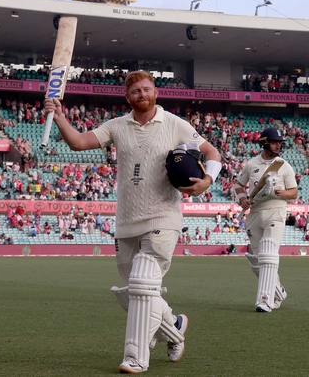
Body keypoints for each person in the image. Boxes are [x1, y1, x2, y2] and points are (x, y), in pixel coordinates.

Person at [43, 70, 221, 374]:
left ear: (156, 92)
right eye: (136, 91)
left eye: (147, 89)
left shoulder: (174, 124)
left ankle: (135, 357)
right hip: (126, 220)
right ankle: (174, 327)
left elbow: (210, 151)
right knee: (133, 294)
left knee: (141, 284)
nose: (142, 95)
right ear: (128, 97)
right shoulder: (117, 126)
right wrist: (59, 117)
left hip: (162, 217)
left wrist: (208, 180)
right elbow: (79, 142)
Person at [233, 127, 298, 313]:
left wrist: (281, 193)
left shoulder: (283, 165)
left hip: (275, 211)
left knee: (268, 252)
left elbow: (293, 192)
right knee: (257, 261)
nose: (278, 146)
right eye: (274, 142)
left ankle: (265, 301)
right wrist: (242, 199)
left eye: (279, 143)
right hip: (255, 213)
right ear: (264, 143)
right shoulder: (251, 164)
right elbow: (238, 185)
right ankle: (278, 292)